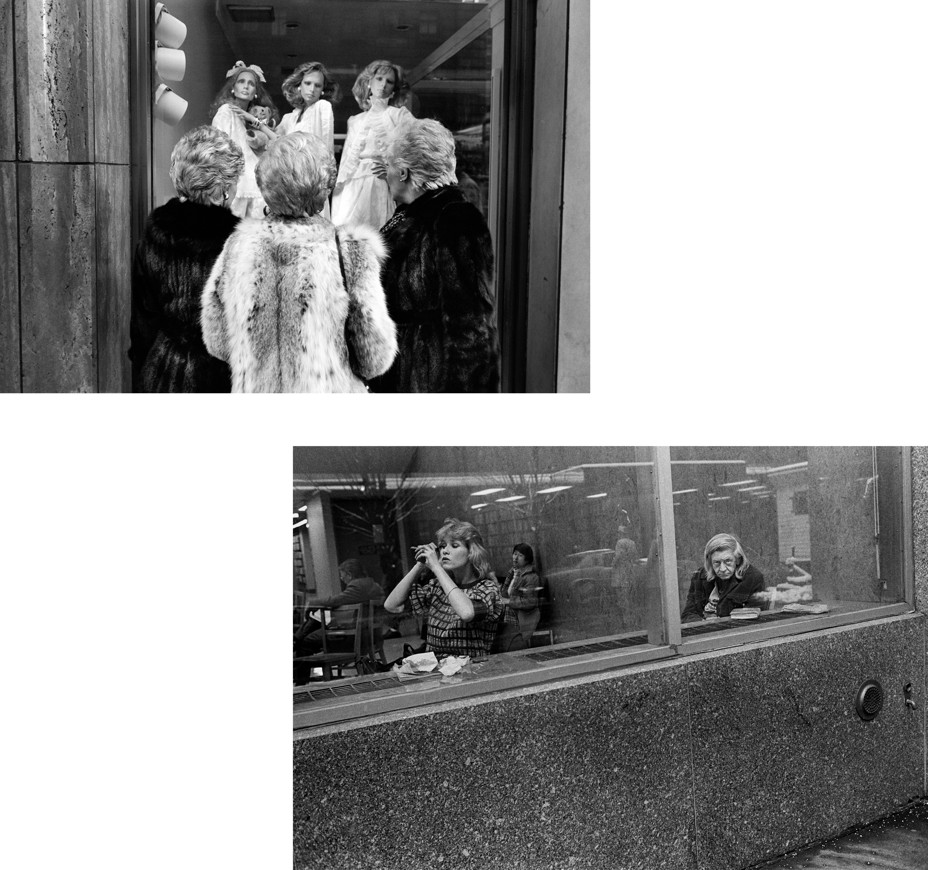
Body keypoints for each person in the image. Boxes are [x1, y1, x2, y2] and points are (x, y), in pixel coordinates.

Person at [201, 132, 398, 392]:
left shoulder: (238, 245)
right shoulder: (349, 251)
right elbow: (374, 356)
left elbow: (218, 340)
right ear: (321, 187)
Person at [367, 117, 500, 392]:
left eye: (389, 166)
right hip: (402, 369)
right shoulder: (411, 211)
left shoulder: (455, 216)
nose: (385, 174)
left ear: (403, 172)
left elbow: (471, 322)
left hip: (427, 379)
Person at [129, 125, 243, 392]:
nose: (237, 188)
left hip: (164, 371)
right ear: (221, 190)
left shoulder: (156, 235)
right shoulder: (237, 243)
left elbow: (143, 324)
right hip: (223, 377)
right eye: (235, 180)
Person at [384, 518, 502, 659]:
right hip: (436, 668)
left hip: (471, 669)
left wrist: (436, 567)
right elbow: (391, 605)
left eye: (454, 545)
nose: (445, 551)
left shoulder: (488, 588)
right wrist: (419, 566)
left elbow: (467, 613)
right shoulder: (437, 586)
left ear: (471, 552)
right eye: (442, 546)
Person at [330, 59, 412, 228]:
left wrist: (392, 171)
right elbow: (347, 160)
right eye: (379, 79)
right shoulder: (355, 120)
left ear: (394, 89)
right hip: (354, 184)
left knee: (381, 236)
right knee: (349, 236)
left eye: (389, 82)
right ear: (369, 82)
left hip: (382, 184)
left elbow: (411, 151)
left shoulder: (398, 116)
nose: (383, 85)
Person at [293, 559, 385, 685]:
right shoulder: (370, 584)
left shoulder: (357, 586)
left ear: (349, 574)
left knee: (306, 641)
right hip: (369, 635)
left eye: (342, 575)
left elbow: (337, 600)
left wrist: (313, 603)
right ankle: (296, 640)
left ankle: (300, 681)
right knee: (315, 623)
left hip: (356, 639)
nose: (341, 578)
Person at [209, 60, 273, 217]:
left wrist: (255, 121)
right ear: (233, 87)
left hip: (257, 187)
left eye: (251, 84)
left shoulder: (254, 119)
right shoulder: (226, 112)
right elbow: (219, 150)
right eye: (241, 82)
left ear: (255, 92)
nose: (246, 86)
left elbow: (276, 140)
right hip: (236, 188)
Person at [278, 61, 339, 220]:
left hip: (313, 180)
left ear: (323, 90)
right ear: (299, 85)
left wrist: (324, 182)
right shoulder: (291, 117)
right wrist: (254, 121)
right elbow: (275, 140)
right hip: (291, 179)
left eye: (317, 85)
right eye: (308, 83)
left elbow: (327, 148)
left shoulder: (322, 107)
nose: (312, 89)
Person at [680, 533, 765, 622]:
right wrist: (704, 625)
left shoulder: (753, 578)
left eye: (728, 561)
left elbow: (753, 621)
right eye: (717, 562)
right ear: (709, 562)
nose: (722, 569)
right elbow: (687, 615)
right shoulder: (699, 577)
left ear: (738, 559)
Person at [496, 543, 544, 652]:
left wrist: (508, 601)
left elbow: (529, 603)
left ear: (527, 559)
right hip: (511, 612)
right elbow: (504, 594)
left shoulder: (531, 577)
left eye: (520, 555)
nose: (515, 558)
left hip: (523, 616)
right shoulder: (513, 572)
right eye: (514, 554)